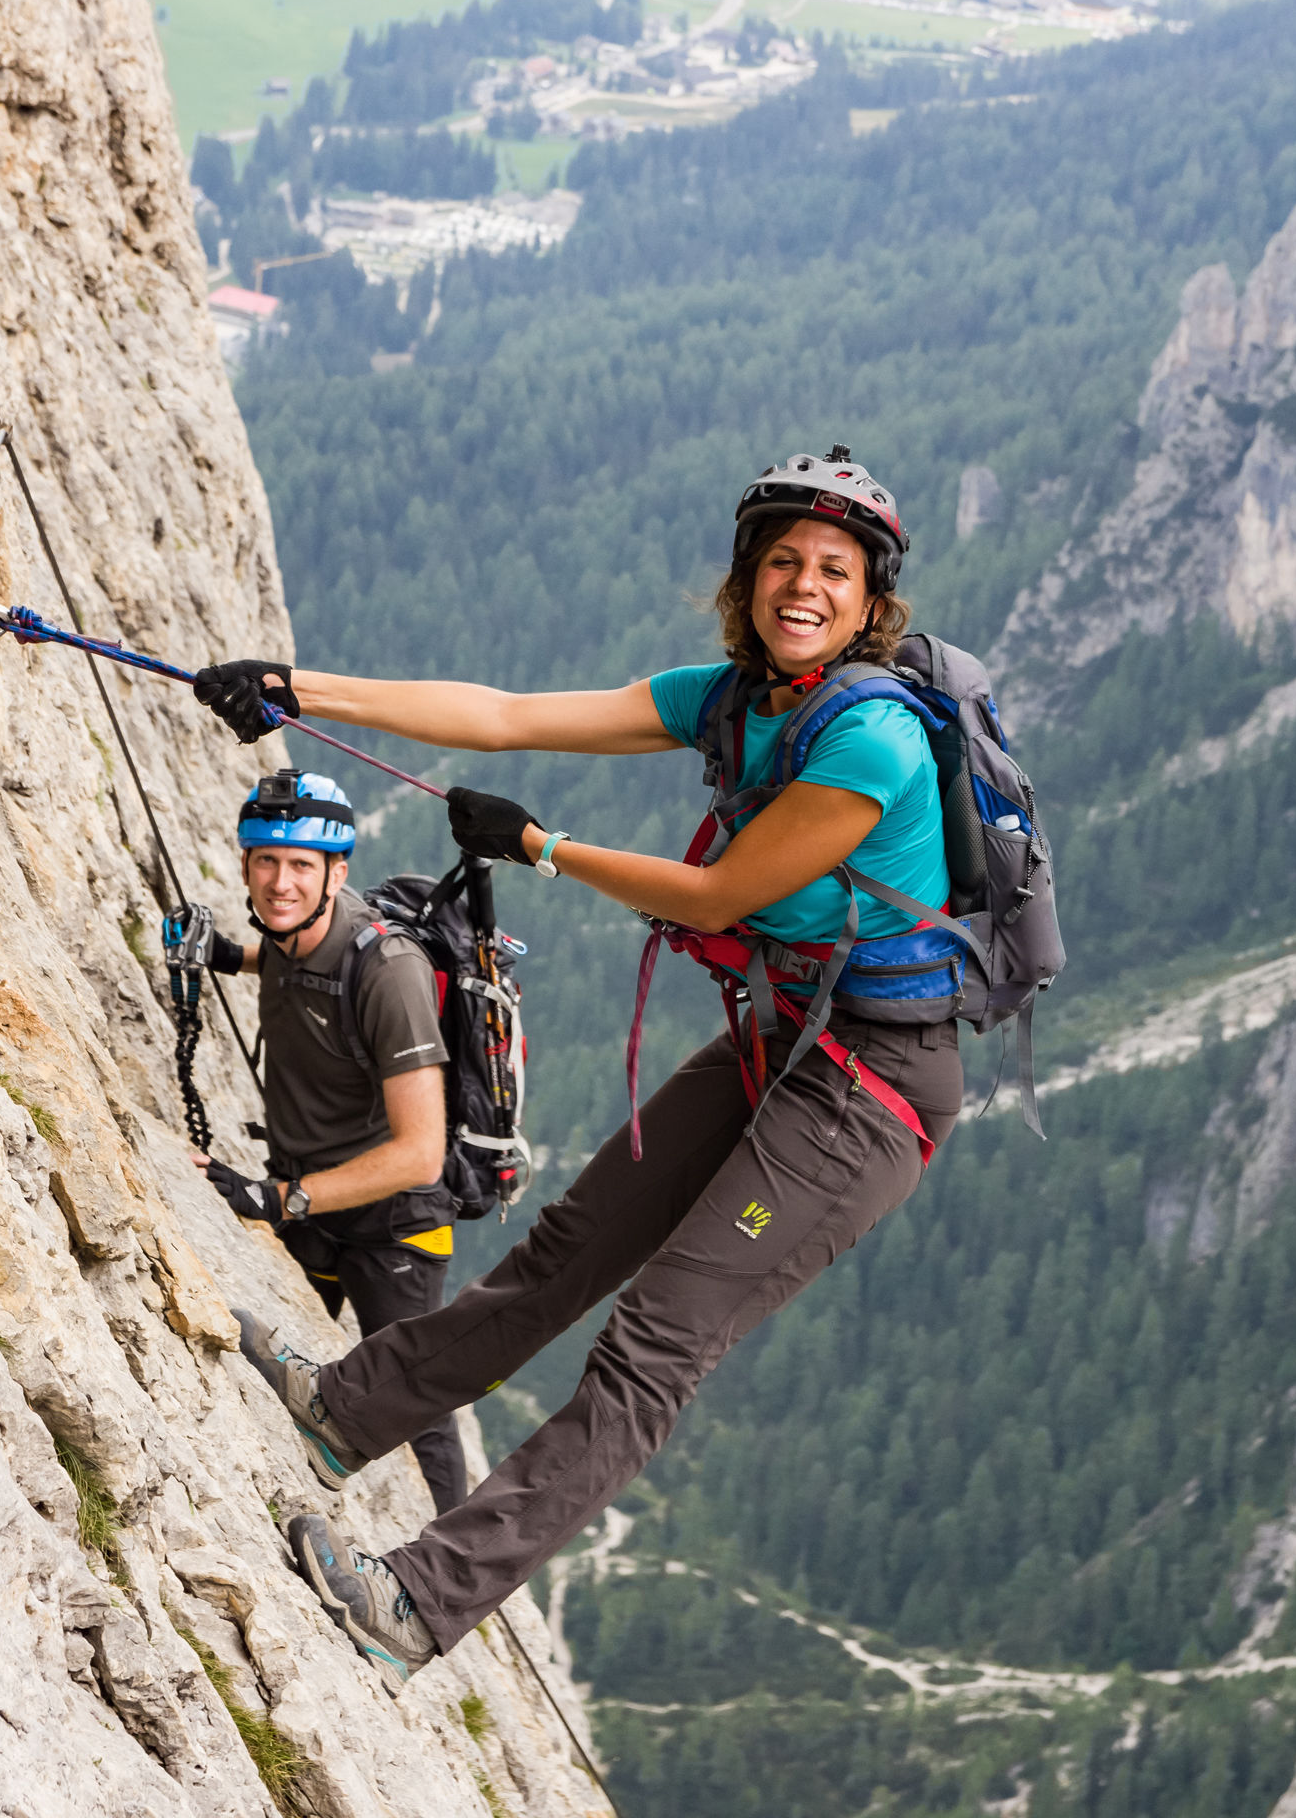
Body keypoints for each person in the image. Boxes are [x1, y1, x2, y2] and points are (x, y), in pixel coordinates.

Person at [194, 449, 967, 1696]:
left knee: (654, 1341)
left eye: (834, 570)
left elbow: (723, 892)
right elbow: (504, 713)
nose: (802, 585)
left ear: (872, 602)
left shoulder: (870, 738)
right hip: (785, 1043)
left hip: (865, 1097)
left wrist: (544, 846)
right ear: (746, 579)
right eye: (782, 561)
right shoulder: (733, 698)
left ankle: (418, 1599)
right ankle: (349, 1411)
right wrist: (297, 690)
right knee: (570, 1246)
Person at [194, 768, 469, 1516]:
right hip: (310, 1205)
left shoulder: (390, 971)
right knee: (268, 1359)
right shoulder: (286, 930)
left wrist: (277, 1199)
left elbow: (419, 1152)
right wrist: (226, 956)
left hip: (395, 1230)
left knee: (414, 1403)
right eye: (265, 862)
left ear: (335, 874)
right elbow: (293, 952)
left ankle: (448, 1563)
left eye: (301, 867)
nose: (280, 884)